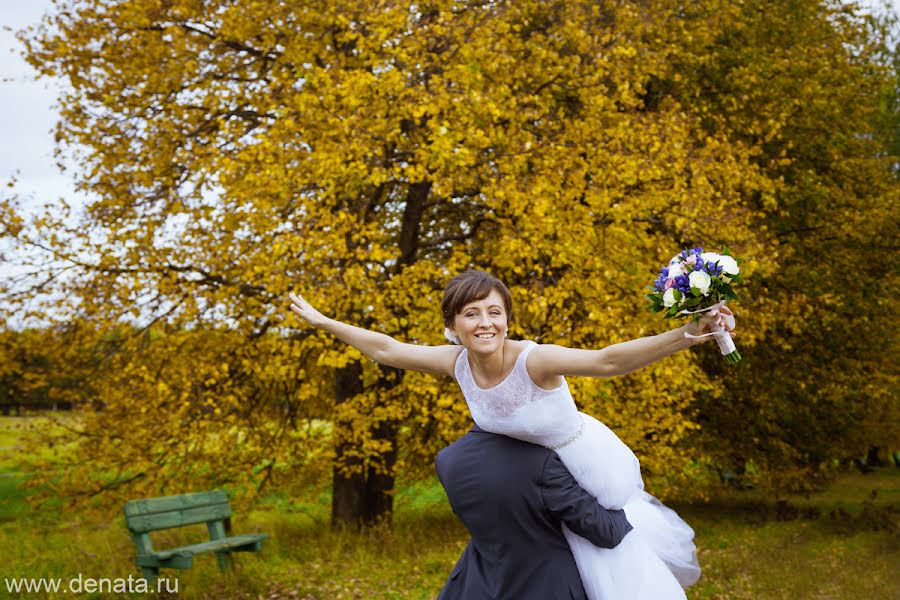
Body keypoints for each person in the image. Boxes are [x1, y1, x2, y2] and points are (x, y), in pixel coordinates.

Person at [288, 269, 736, 599]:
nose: (485, 323)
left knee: (601, 568)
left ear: (507, 319)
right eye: (471, 313)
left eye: (494, 312)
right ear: (453, 326)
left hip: (576, 468)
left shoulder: (533, 361)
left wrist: (686, 334)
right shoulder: (456, 362)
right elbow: (387, 348)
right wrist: (327, 323)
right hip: (524, 482)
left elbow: (607, 361)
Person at [435, 423, 633, 600]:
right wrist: (629, 511)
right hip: (548, 588)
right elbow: (605, 532)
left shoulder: (448, 460)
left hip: (477, 585)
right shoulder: (540, 461)